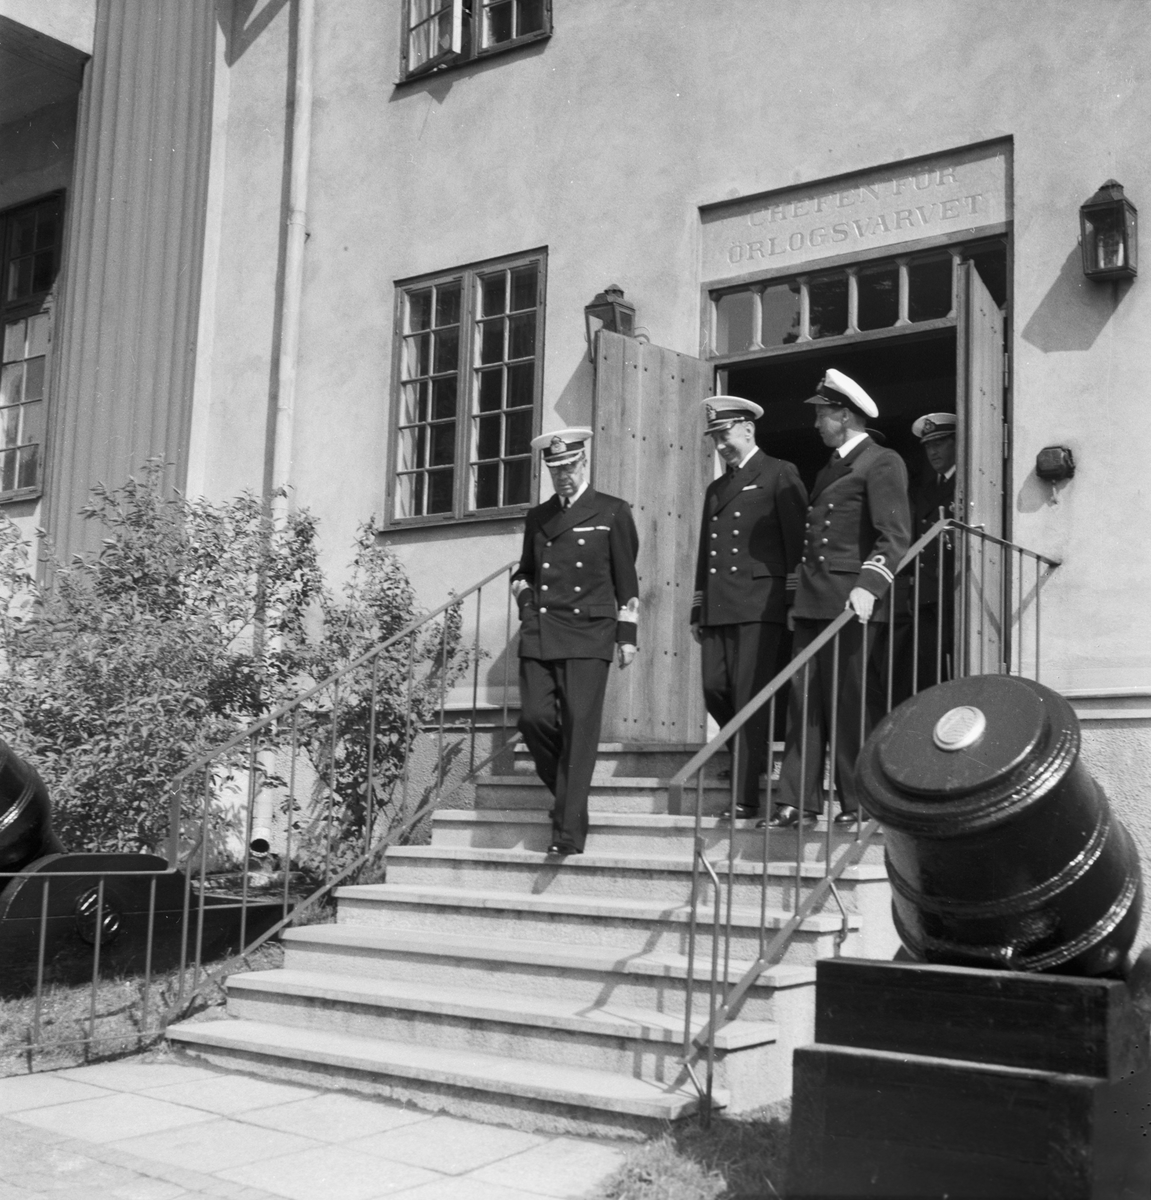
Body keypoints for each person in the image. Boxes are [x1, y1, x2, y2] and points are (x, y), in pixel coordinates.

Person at [766, 369, 911, 829]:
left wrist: (869, 586)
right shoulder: (831, 467)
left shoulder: (881, 461)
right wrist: (799, 602)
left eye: (821, 414)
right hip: (815, 602)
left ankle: (861, 801)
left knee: (851, 705)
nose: (815, 424)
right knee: (803, 701)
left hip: (853, 603)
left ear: (844, 415)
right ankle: (797, 801)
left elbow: (894, 534)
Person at [512, 428, 640, 856]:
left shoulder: (612, 510)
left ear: (584, 463)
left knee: (579, 731)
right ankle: (573, 805)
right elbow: (524, 572)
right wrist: (527, 605)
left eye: (569, 467)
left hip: (589, 632)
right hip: (541, 630)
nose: (563, 476)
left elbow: (627, 580)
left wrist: (627, 636)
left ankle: (567, 832)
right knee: (533, 720)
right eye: (556, 470)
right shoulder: (539, 516)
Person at [690, 397, 807, 820]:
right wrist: (698, 607)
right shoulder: (716, 489)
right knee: (714, 689)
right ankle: (752, 753)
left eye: (725, 435)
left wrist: (794, 600)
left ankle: (744, 798)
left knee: (747, 695)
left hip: (761, 603)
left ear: (747, 429)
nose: (721, 444)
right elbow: (706, 552)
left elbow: (798, 542)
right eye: (715, 438)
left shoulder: (779, 472)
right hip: (719, 604)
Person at [888, 413, 958, 702]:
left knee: (957, 666)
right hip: (927, 593)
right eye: (928, 446)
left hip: (955, 592)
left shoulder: (968, 483)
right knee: (930, 669)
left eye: (939, 443)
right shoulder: (925, 490)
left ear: (956, 443)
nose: (933, 452)